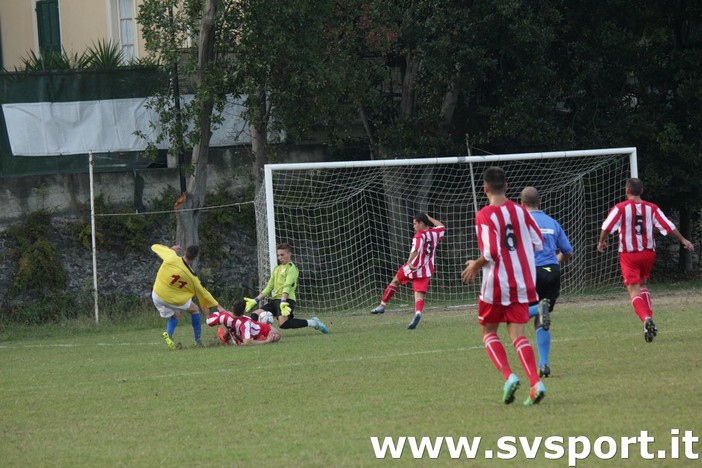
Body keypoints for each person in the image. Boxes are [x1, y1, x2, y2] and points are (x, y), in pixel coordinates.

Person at [462, 167, 546, 406]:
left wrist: (475, 265)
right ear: (507, 187)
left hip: (496, 285)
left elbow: (490, 253)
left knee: (488, 332)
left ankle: (509, 377)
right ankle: (535, 383)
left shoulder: (484, 215)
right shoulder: (521, 211)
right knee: (518, 335)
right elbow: (539, 243)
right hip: (521, 284)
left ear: (485, 188)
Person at [597, 178, 694, 342]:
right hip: (648, 253)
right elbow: (668, 225)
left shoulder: (620, 208)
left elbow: (606, 226)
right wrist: (683, 240)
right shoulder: (652, 208)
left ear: (627, 190)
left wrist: (601, 241)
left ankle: (646, 318)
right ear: (641, 191)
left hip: (629, 254)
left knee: (633, 290)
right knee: (643, 285)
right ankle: (648, 321)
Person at [520, 186, 574, 378]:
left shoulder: (521, 221)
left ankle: (537, 309)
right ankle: (544, 364)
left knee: (516, 314)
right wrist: (554, 262)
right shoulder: (552, 222)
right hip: (552, 272)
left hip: (530, 272)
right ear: (540, 201)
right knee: (541, 321)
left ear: (521, 203)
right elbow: (568, 251)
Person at [370, 213, 446, 330]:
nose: (414, 227)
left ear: (421, 223)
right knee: (418, 296)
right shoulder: (435, 233)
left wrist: (409, 262)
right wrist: (429, 217)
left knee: (395, 281)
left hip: (412, 267)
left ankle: (382, 305)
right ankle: (418, 313)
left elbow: (416, 250)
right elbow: (441, 226)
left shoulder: (419, 236)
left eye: (415, 224)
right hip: (425, 270)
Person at [151, 244, 225, 349]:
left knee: (176, 315)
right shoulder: (192, 278)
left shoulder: (171, 257)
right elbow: (204, 293)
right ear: (195, 258)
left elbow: (155, 247)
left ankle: (168, 334)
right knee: (194, 309)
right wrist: (218, 306)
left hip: (157, 294)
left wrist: (171, 250)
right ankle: (198, 341)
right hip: (170, 298)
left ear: (185, 252)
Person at [245, 243, 328, 334]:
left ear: (289, 254)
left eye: (282, 255)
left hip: (287, 300)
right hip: (275, 300)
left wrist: (283, 301)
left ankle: (313, 322)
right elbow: (269, 287)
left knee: (283, 324)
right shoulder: (277, 269)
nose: (280, 257)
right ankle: (254, 334)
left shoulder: (292, 268)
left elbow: (287, 286)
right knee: (255, 314)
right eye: (278, 255)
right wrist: (256, 300)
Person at [206, 300, 281, 346]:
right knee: (277, 335)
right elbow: (247, 342)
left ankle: (225, 338)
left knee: (227, 329)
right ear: (244, 310)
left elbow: (209, 321)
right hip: (256, 330)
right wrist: (266, 341)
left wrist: (206, 310)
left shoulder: (224, 317)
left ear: (232, 308)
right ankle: (260, 339)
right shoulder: (245, 323)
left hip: (239, 333)